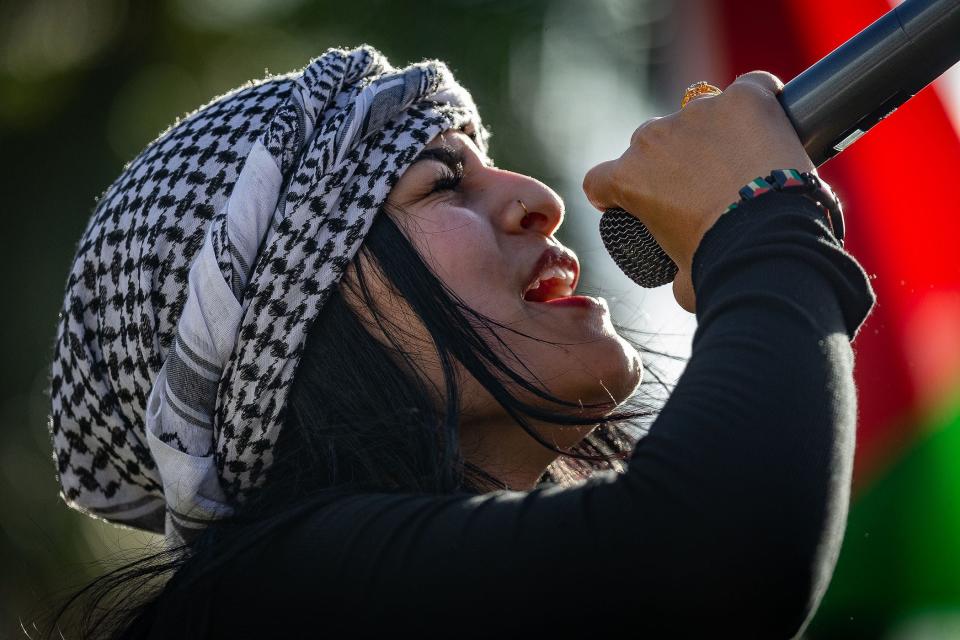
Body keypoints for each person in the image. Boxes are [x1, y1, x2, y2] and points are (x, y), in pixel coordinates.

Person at [43, 45, 875, 638]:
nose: (542, 199)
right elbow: (713, 557)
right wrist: (763, 217)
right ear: (291, 330)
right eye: (443, 182)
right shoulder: (278, 598)